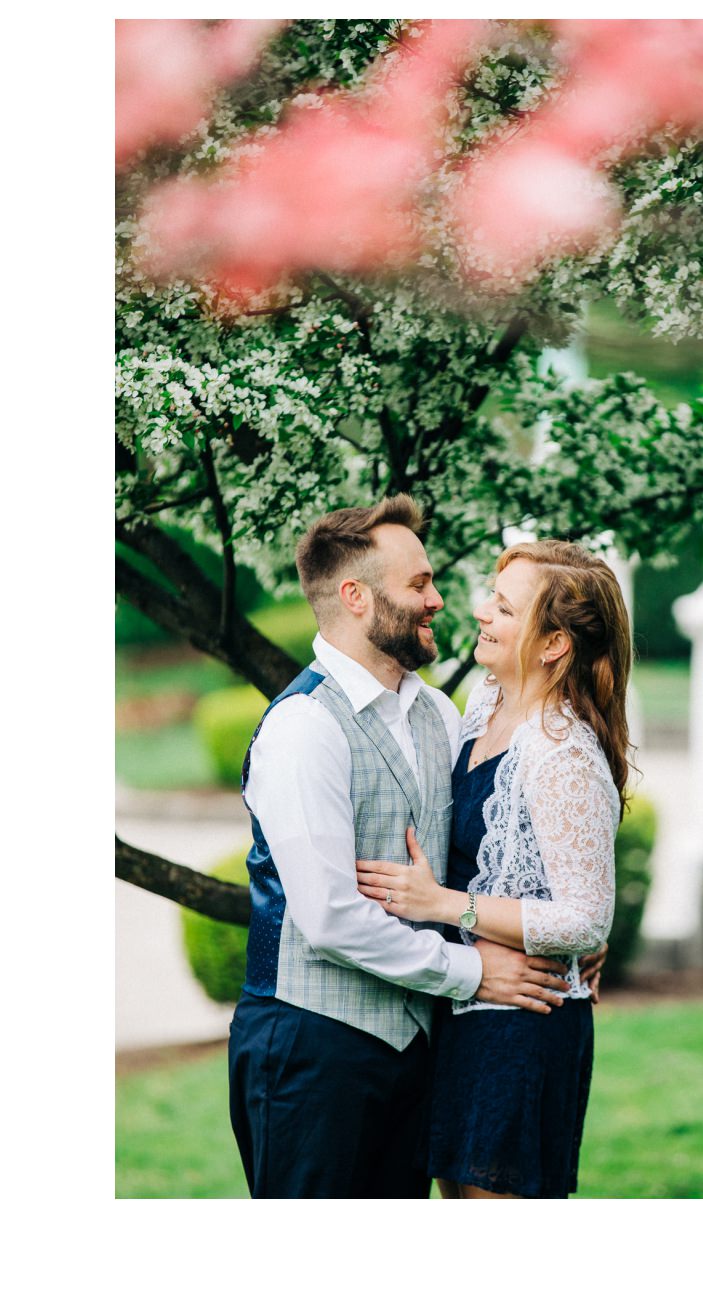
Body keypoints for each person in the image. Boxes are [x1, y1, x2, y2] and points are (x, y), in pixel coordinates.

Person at [229, 495, 575, 1200]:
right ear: (356, 597)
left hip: (415, 1056)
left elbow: (478, 852)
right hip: (311, 1055)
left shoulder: (438, 716)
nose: (438, 599)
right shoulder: (304, 729)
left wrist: (565, 926)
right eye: (418, 584)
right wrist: (472, 970)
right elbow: (328, 919)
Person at [360, 539, 628, 1199]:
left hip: (522, 1030)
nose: (482, 610)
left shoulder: (561, 749)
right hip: (467, 1010)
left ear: (553, 645)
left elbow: (586, 918)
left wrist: (444, 904)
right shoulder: (486, 708)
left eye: (505, 608)